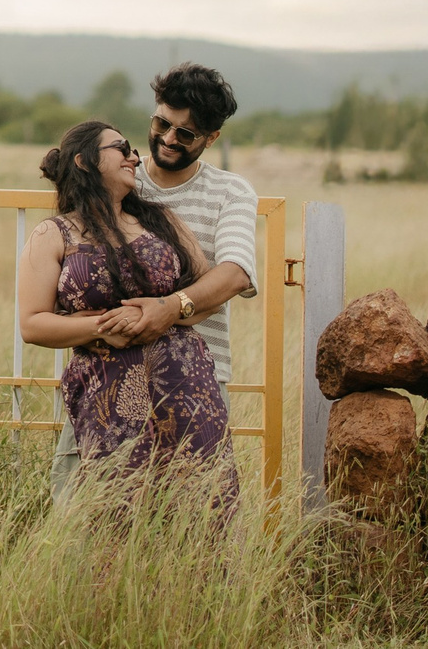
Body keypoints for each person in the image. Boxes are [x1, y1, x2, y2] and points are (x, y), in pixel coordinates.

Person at [29, 63, 259, 492]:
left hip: (198, 371)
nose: (168, 139)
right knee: (90, 507)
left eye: (187, 134)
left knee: (198, 507)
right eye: (162, 124)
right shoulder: (118, 179)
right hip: (105, 372)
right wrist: (97, 325)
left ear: (212, 139)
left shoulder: (231, 192)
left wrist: (169, 309)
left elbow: (235, 273)